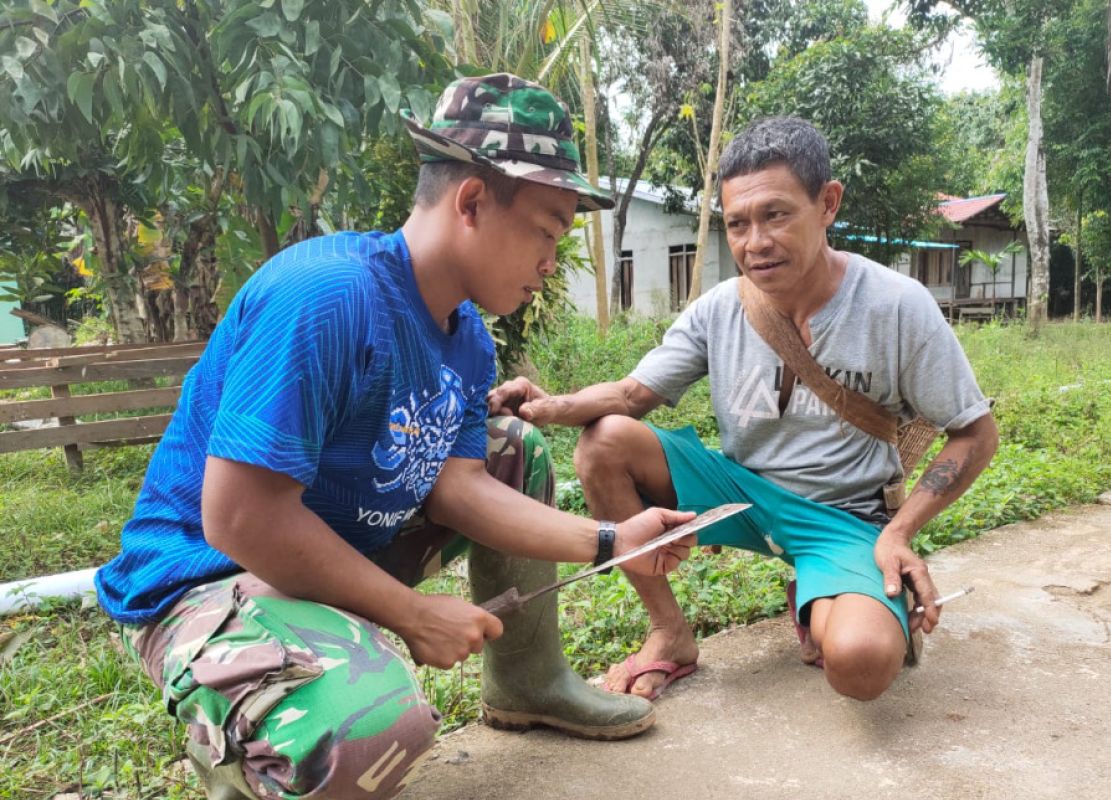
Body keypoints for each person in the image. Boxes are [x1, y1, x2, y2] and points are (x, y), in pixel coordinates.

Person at [93, 74, 695, 800]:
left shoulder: (464, 332)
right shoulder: (326, 297)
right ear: (471, 201)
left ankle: (530, 683)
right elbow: (239, 517)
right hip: (204, 581)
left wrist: (611, 539)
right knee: (376, 722)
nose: (551, 260)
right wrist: (410, 615)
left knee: (512, 449)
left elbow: (461, 487)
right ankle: (245, 764)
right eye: (546, 229)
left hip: (324, 552)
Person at [488, 116, 999, 704]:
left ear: (827, 204)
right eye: (737, 224)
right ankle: (671, 633)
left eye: (776, 215)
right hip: (739, 495)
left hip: (841, 516)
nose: (755, 243)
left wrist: (902, 531)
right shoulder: (719, 309)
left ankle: (830, 599)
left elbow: (975, 434)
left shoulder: (895, 305)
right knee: (605, 439)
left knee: (861, 663)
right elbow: (633, 397)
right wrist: (552, 406)